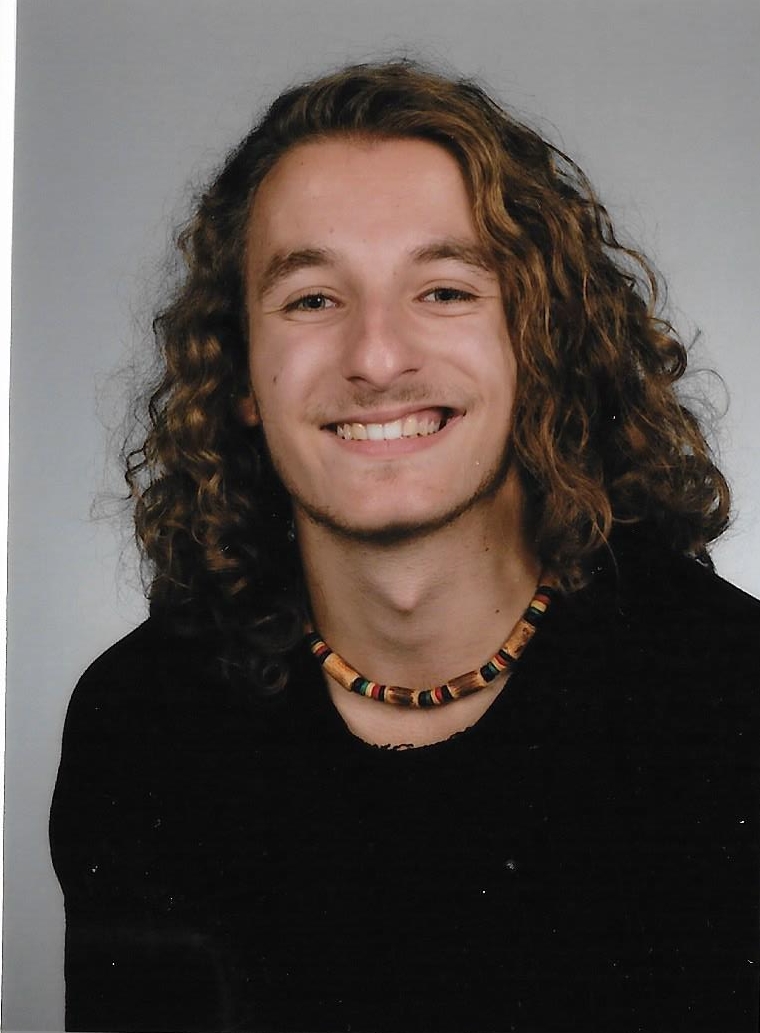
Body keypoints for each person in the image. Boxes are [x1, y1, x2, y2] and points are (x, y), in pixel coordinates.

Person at [50, 61, 759, 1033]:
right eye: (311, 300)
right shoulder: (143, 722)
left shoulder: (728, 696)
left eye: (444, 290)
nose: (377, 358)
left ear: (537, 343)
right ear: (240, 369)